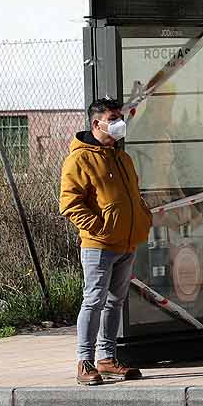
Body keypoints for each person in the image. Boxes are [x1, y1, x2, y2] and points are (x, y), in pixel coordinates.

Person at [60, 97, 152, 385]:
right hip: (99, 245)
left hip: (127, 242)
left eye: (119, 117)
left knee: (115, 302)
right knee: (94, 301)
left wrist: (143, 216)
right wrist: (99, 228)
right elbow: (70, 203)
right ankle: (85, 362)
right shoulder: (79, 159)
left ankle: (107, 359)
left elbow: (133, 196)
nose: (119, 123)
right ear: (96, 123)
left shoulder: (122, 157)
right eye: (113, 119)